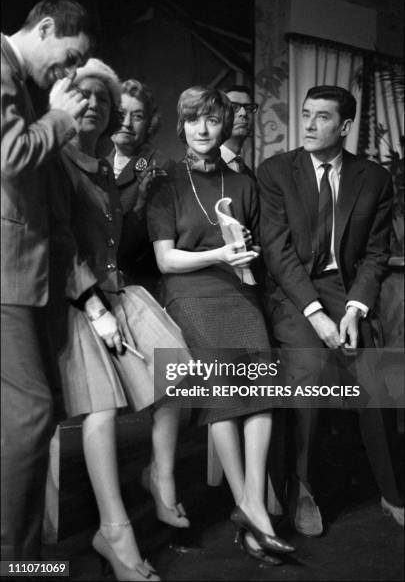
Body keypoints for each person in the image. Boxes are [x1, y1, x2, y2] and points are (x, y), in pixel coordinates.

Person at [50, 58, 192, 581]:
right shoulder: (56, 160)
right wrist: (93, 309)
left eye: (103, 101)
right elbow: (59, 248)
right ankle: (114, 531)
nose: (95, 107)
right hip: (72, 300)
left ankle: (161, 475)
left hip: (117, 291)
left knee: (176, 372)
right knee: (102, 410)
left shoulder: (105, 166)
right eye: (84, 96)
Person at [147, 85, 295, 565]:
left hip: (239, 295)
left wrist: (244, 255)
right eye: (195, 121)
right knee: (226, 386)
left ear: (227, 124)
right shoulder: (165, 182)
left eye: (213, 120)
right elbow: (166, 261)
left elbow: (257, 252)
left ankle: (253, 506)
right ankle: (250, 509)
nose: (204, 129)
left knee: (262, 386)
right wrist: (220, 253)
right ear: (182, 127)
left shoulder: (245, 184)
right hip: (190, 297)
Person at [257, 84, 404, 535]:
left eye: (322, 117)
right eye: (307, 114)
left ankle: (393, 492)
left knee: (372, 371)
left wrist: (356, 308)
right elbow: (278, 252)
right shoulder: (277, 171)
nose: (311, 124)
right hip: (296, 292)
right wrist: (316, 314)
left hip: (348, 289)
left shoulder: (373, 178)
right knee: (309, 368)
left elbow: (376, 253)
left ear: (344, 127)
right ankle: (303, 485)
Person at [1, 0, 94, 560]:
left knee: (29, 416)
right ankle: (16, 560)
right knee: (32, 415)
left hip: (26, 274)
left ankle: (22, 553)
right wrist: (59, 117)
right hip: (4, 274)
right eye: (68, 56)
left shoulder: (20, 80)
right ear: (46, 27)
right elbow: (11, 155)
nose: (66, 72)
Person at [109, 79, 174, 297]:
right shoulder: (99, 164)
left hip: (141, 287)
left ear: (149, 124)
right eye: (120, 113)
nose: (126, 123)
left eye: (137, 116)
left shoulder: (159, 165)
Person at [220, 84, 257, 178]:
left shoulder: (248, 175)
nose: (243, 113)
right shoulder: (204, 167)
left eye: (248, 108)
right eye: (233, 107)